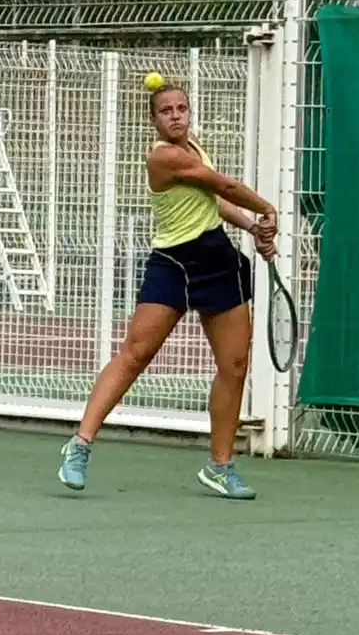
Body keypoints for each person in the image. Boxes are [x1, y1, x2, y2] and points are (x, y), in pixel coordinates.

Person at [58, 83, 278, 499]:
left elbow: (213, 200)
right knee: (135, 354)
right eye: (166, 111)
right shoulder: (163, 157)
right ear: (154, 120)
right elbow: (224, 186)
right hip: (173, 263)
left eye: (182, 108)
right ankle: (80, 445)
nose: (176, 116)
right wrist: (266, 209)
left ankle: (221, 466)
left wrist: (252, 229)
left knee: (234, 365)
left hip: (216, 260)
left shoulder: (193, 146)